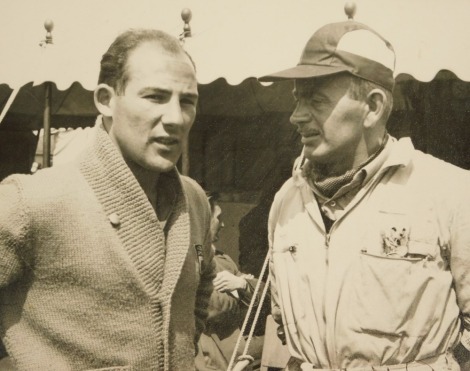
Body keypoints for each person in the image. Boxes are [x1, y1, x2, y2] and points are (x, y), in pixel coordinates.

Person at [259, 13, 470, 371]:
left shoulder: (448, 192)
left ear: (372, 107)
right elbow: (284, 323)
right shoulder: (287, 202)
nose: (296, 116)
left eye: (316, 101)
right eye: (297, 100)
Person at [0, 29, 215, 370]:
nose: (176, 118)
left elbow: (198, 297)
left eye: (187, 101)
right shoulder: (33, 201)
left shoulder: (194, 200)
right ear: (105, 99)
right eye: (155, 97)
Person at [196, 193, 263, 371]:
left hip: (237, 348)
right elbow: (209, 305)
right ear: (204, 221)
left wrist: (240, 285)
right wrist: (240, 296)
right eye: (219, 218)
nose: (223, 224)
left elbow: (257, 290)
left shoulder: (223, 259)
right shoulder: (196, 258)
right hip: (212, 357)